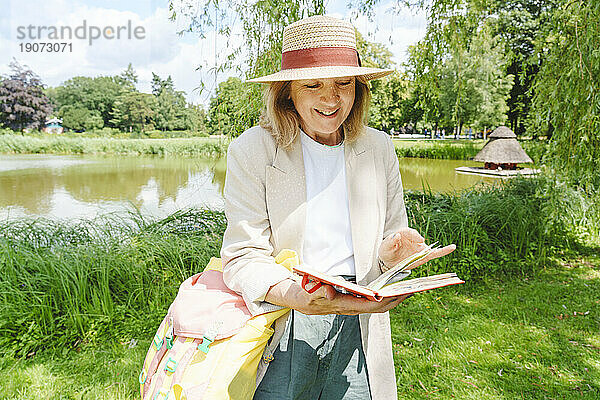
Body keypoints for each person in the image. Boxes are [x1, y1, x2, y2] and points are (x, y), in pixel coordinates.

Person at [220, 15, 455, 399]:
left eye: (344, 83)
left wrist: (394, 253)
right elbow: (242, 256)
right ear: (286, 92)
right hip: (284, 319)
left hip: (361, 320)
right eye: (313, 85)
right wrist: (297, 296)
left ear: (358, 89)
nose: (332, 100)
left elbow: (388, 239)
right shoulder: (251, 150)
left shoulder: (378, 147)